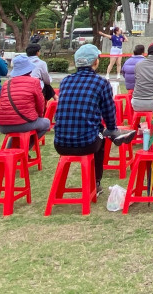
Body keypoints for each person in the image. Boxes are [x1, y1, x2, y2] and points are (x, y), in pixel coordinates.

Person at [53, 44, 132, 195]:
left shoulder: (65, 81)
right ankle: (95, 182)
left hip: (60, 143)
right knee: (102, 135)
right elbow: (109, 113)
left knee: (99, 132)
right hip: (87, 143)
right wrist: (112, 128)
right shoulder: (101, 83)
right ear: (95, 61)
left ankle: (112, 135)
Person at [0, 53, 51, 140]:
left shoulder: (6, 84)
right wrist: (39, 116)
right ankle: (24, 149)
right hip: (24, 122)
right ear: (30, 69)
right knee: (46, 123)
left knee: (19, 128)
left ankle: (15, 149)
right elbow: (40, 104)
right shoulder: (34, 82)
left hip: (3, 125)